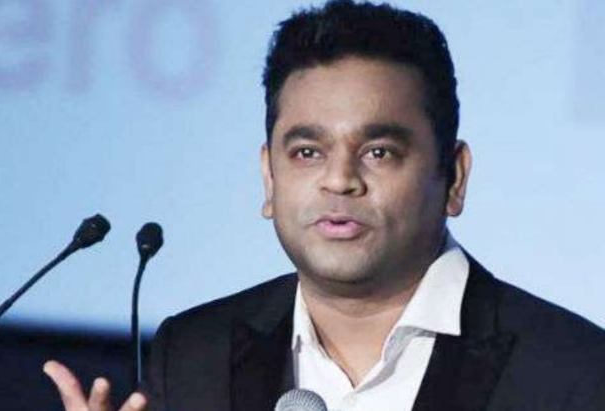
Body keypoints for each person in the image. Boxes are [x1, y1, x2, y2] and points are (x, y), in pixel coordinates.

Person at [45, 1, 605, 410]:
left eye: (379, 152)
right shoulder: (193, 354)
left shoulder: (572, 372)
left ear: (454, 177)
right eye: (307, 152)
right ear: (269, 178)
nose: (339, 180)